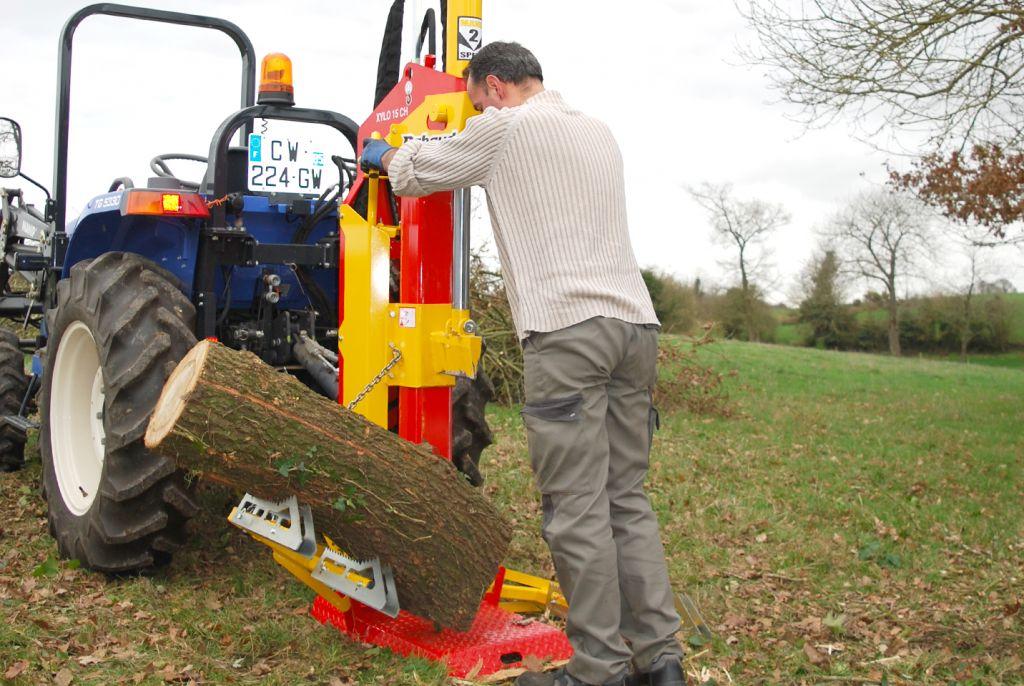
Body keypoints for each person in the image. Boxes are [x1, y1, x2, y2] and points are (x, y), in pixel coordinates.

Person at [361, 42, 687, 686]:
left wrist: (380, 153)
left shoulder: (504, 128)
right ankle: (661, 659)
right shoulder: (598, 131)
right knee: (627, 498)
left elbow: (416, 171)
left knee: (577, 509)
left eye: (477, 99)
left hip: (568, 336)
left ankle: (598, 671)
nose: (478, 110)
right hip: (635, 329)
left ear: (499, 86)